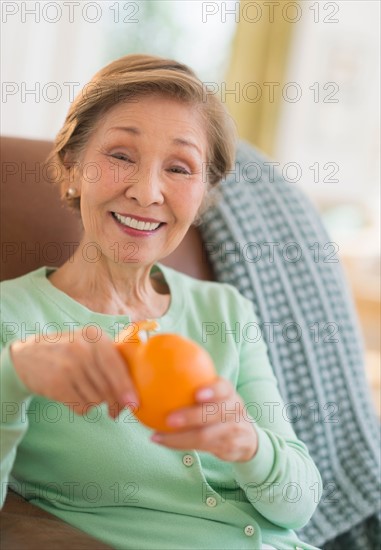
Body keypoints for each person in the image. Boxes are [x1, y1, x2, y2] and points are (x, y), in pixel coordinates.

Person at [0, 54, 323, 550]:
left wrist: (249, 446)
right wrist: (12, 378)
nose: (146, 192)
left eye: (179, 167)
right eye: (121, 156)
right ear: (72, 164)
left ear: (203, 195)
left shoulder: (225, 309)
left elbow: (299, 503)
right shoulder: (11, 318)